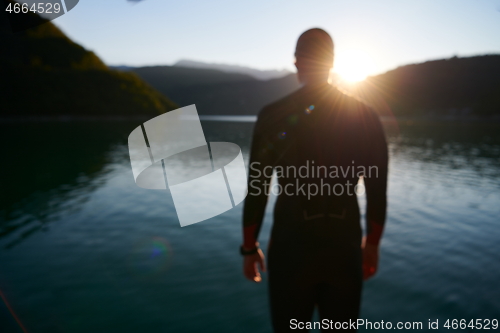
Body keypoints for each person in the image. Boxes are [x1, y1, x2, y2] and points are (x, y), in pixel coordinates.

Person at [240, 28, 388, 332]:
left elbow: (257, 189)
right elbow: (377, 190)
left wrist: (249, 247)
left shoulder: (272, 116)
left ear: (296, 63)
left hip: (291, 250)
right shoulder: (366, 116)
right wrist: (371, 244)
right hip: (344, 248)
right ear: (332, 62)